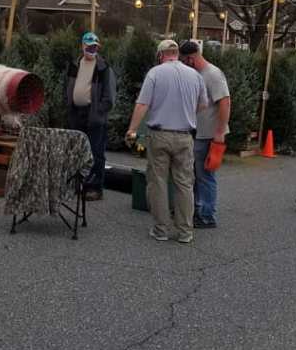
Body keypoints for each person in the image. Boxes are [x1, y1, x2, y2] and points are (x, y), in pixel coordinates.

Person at [126, 40, 208, 244]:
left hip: (159, 135)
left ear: (160, 55)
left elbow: (142, 104)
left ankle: (161, 229)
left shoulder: (154, 73)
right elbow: (203, 105)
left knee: (158, 183)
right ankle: (185, 231)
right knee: (184, 184)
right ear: (177, 54)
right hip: (185, 136)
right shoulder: (195, 75)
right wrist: (187, 113)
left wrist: (132, 129)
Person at [179, 40, 231, 229]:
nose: (183, 64)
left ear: (191, 58)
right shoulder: (199, 74)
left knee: (206, 176)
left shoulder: (213, 74)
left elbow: (225, 102)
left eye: (184, 60)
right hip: (199, 133)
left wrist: (219, 132)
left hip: (209, 135)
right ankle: (198, 210)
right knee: (197, 174)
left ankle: (207, 216)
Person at [64, 31, 116, 201]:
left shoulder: (103, 68)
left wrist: (99, 110)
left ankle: (94, 188)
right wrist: (68, 103)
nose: (91, 50)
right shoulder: (74, 65)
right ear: (82, 46)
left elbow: (110, 96)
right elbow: (67, 86)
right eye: (89, 46)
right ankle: (77, 185)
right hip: (76, 114)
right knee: (76, 151)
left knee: (95, 152)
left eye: (94, 47)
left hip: (94, 116)